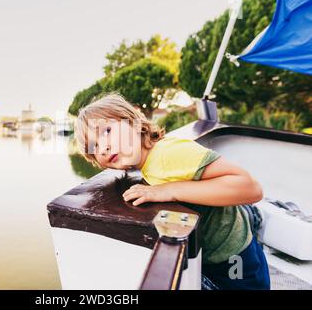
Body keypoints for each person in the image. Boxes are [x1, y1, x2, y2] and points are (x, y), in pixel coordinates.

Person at [74, 93, 270, 290]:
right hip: (214, 254)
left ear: (133, 122)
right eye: (95, 147)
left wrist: (168, 190)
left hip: (235, 261)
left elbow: (250, 188)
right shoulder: (148, 163)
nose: (104, 147)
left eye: (107, 131)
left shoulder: (168, 154)